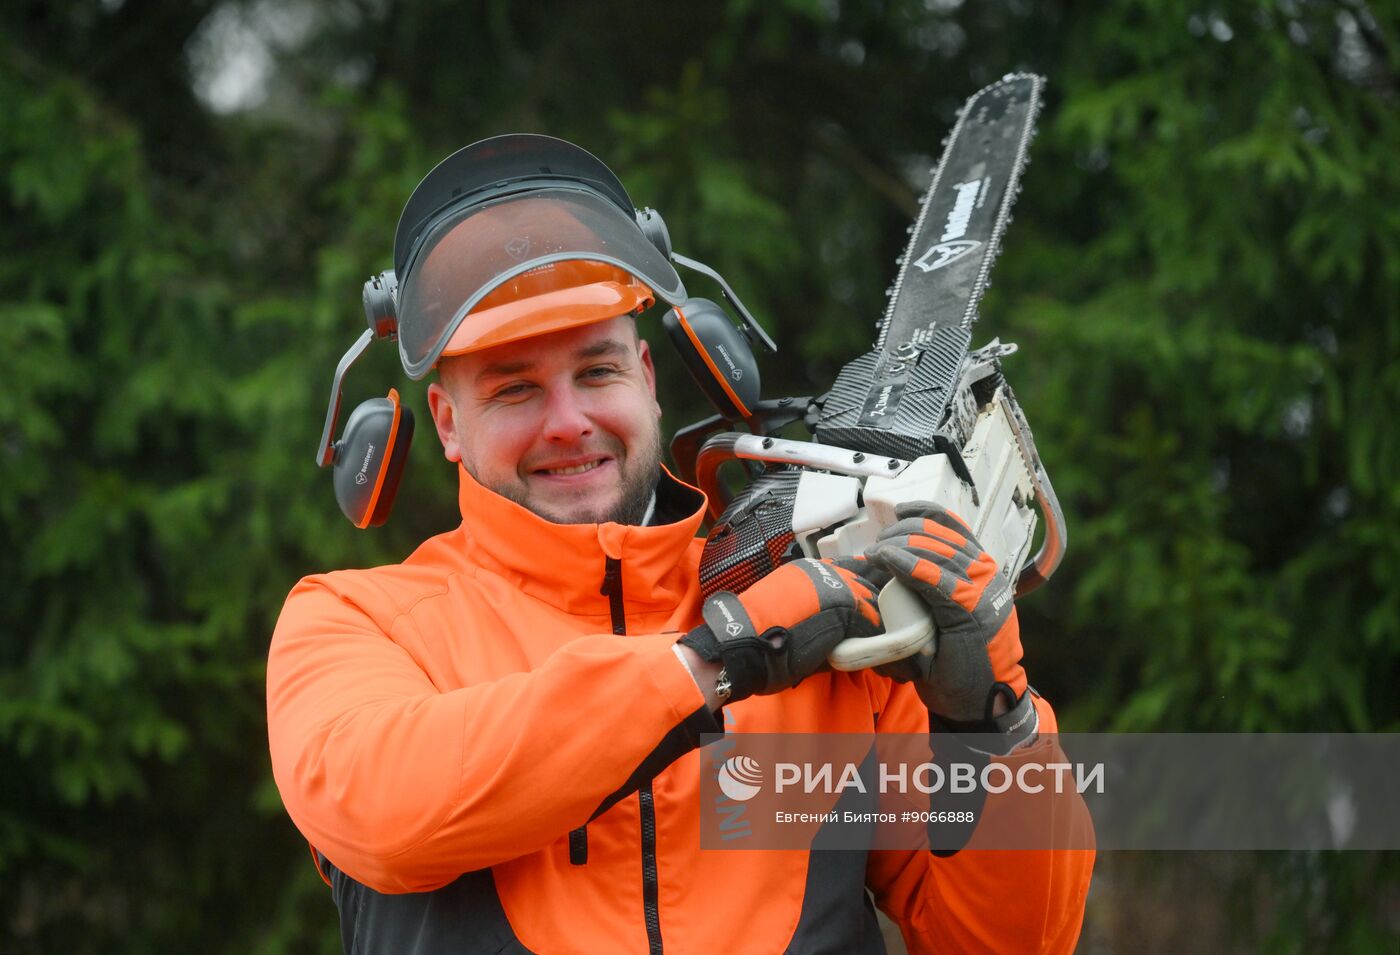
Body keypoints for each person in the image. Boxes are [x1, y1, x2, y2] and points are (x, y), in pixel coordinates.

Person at [267, 134, 1094, 954]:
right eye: (515, 388)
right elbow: (389, 811)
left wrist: (995, 726)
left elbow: (1006, 944)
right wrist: (721, 655)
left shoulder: (825, 609)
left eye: (598, 371)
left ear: (648, 382)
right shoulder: (354, 622)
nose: (569, 422)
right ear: (448, 423)